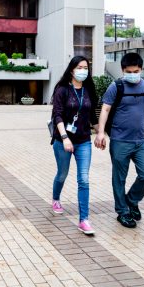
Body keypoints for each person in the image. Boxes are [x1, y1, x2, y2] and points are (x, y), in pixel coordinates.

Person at [98, 52, 144, 228]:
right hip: (120, 140)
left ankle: (131, 200)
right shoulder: (116, 86)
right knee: (119, 178)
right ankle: (123, 212)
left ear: (141, 69)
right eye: (129, 71)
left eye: (136, 71)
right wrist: (101, 132)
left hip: (140, 141)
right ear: (123, 70)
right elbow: (105, 109)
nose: (133, 74)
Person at [49, 55, 103, 235]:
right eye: (80, 67)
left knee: (84, 179)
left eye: (86, 68)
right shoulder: (62, 89)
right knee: (62, 174)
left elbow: (93, 116)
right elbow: (57, 115)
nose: (83, 71)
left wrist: (100, 133)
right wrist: (64, 137)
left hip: (83, 141)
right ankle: (56, 198)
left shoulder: (88, 89)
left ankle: (84, 220)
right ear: (72, 69)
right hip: (62, 140)